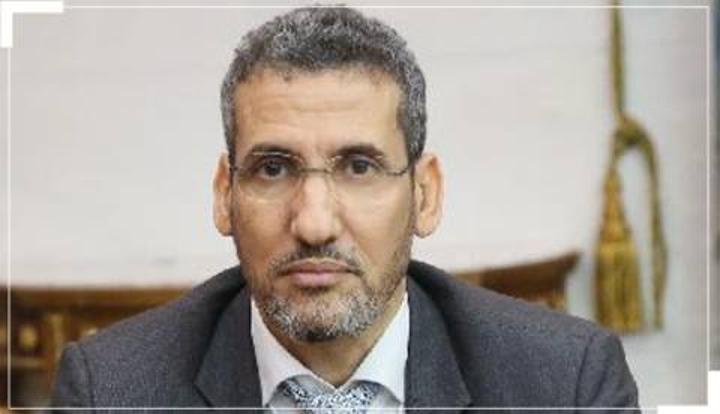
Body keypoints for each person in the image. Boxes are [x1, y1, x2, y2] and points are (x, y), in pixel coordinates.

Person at [52, 6, 638, 411]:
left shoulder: (566, 381)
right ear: (223, 194)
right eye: (273, 168)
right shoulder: (112, 391)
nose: (314, 224)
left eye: (359, 167)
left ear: (425, 195)